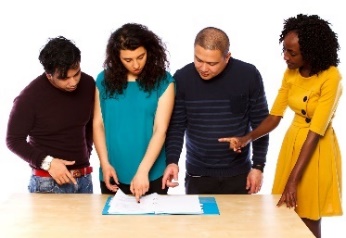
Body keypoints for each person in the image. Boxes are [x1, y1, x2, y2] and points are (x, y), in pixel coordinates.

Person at [225, 14, 343, 238]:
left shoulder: (331, 77)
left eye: (292, 53)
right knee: (285, 214)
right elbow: (275, 116)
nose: (285, 57)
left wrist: (293, 180)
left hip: (316, 149)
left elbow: (316, 131)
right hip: (293, 143)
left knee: (308, 216)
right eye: (285, 50)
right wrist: (246, 138)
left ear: (310, 53)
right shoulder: (290, 73)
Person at [161, 26, 269, 195]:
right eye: (198, 60)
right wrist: (172, 161)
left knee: (239, 222)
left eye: (212, 63)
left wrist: (258, 167)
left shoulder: (248, 75)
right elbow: (177, 126)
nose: (203, 68)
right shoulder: (182, 77)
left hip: (240, 174)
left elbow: (261, 125)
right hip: (198, 174)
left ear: (227, 57)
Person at [93, 23, 175, 202]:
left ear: (150, 51)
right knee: (113, 229)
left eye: (141, 56)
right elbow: (98, 125)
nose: (136, 64)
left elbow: (160, 130)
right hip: (112, 172)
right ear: (117, 58)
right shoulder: (103, 80)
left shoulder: (164, 81)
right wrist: (105, 164)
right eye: (128, 60)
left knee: (152, 230)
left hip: (151, 174)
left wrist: (142, 171)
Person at [6, 36, 95, 193]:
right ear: (49, 75)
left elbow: (89, 125)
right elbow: (13, 140)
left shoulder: (88, 84)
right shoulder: (29, 98)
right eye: (64, 78)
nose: (73, 82)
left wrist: (86, 154)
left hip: (84, 179)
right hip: (48, 182)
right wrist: (48, 163)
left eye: (76, 74)